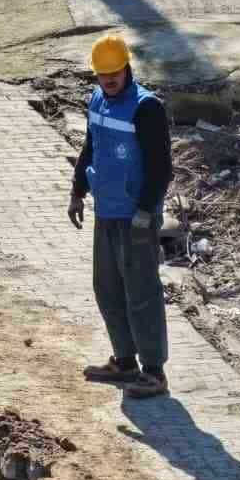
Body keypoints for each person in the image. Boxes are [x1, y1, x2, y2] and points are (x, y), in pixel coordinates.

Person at [67, 34, 173, 398]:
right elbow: (90, 147)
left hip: (135, 218)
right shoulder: (97, 100)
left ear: (127, 68)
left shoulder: (147, 109)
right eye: (102, 74)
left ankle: (154, 371)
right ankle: (125, 362)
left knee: (141, 291)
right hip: (106, 211)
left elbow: (161, 168)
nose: (109, 80)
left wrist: (146, 210)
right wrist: (77, 190)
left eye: (114, 73)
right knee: (108, 287)